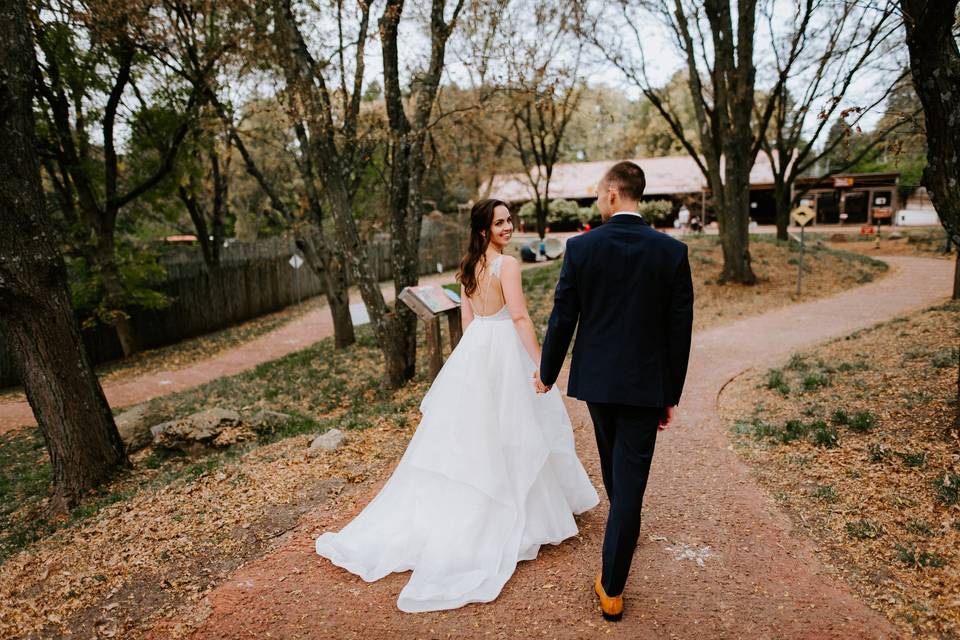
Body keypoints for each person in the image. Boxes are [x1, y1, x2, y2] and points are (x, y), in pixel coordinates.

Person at [315, 199, 599, 613]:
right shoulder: (508, 265)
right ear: (484, 229)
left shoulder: (467, 267)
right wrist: (543, 365)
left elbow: (469, 325)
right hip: (502, 349)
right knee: (517, 428)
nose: (508, 226)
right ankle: (520, 512)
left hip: (476, 351)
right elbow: (519, 318)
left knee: (480, 434)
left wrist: (473, 361)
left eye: (509, 220)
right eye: (499, 222)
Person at [535, 161, 694, 622]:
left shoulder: (583, 248)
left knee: (616, 471)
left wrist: (547, 371)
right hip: (647, 385)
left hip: (600, 384)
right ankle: (624, 528)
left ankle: (612, 583)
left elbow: (564, 314)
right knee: (628, 480)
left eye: (598, 195)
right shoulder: (671, 252)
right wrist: (671, 394)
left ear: (611, 193)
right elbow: (679, 331)